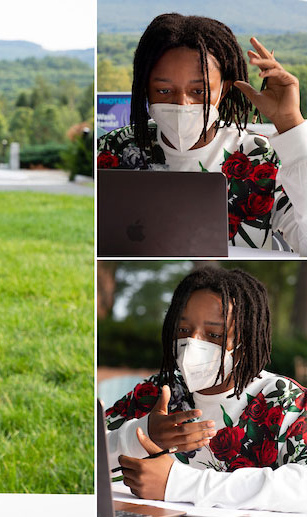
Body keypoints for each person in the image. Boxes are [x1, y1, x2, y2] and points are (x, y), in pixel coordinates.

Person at [97, 14, 307, 252]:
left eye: (199, 91)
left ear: (224, 89)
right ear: (145, 89)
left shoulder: (260, 157)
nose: (182, 104)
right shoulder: (112, 149)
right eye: (164, 90)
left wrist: (291, 123)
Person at [105, 268, 306, 512]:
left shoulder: (284, 400)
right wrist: (142, 433)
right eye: (182, 330)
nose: (192, 343)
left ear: (247, 341)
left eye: (214, 334)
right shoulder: (157, 391)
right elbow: (87, 454)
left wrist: (180, 483)